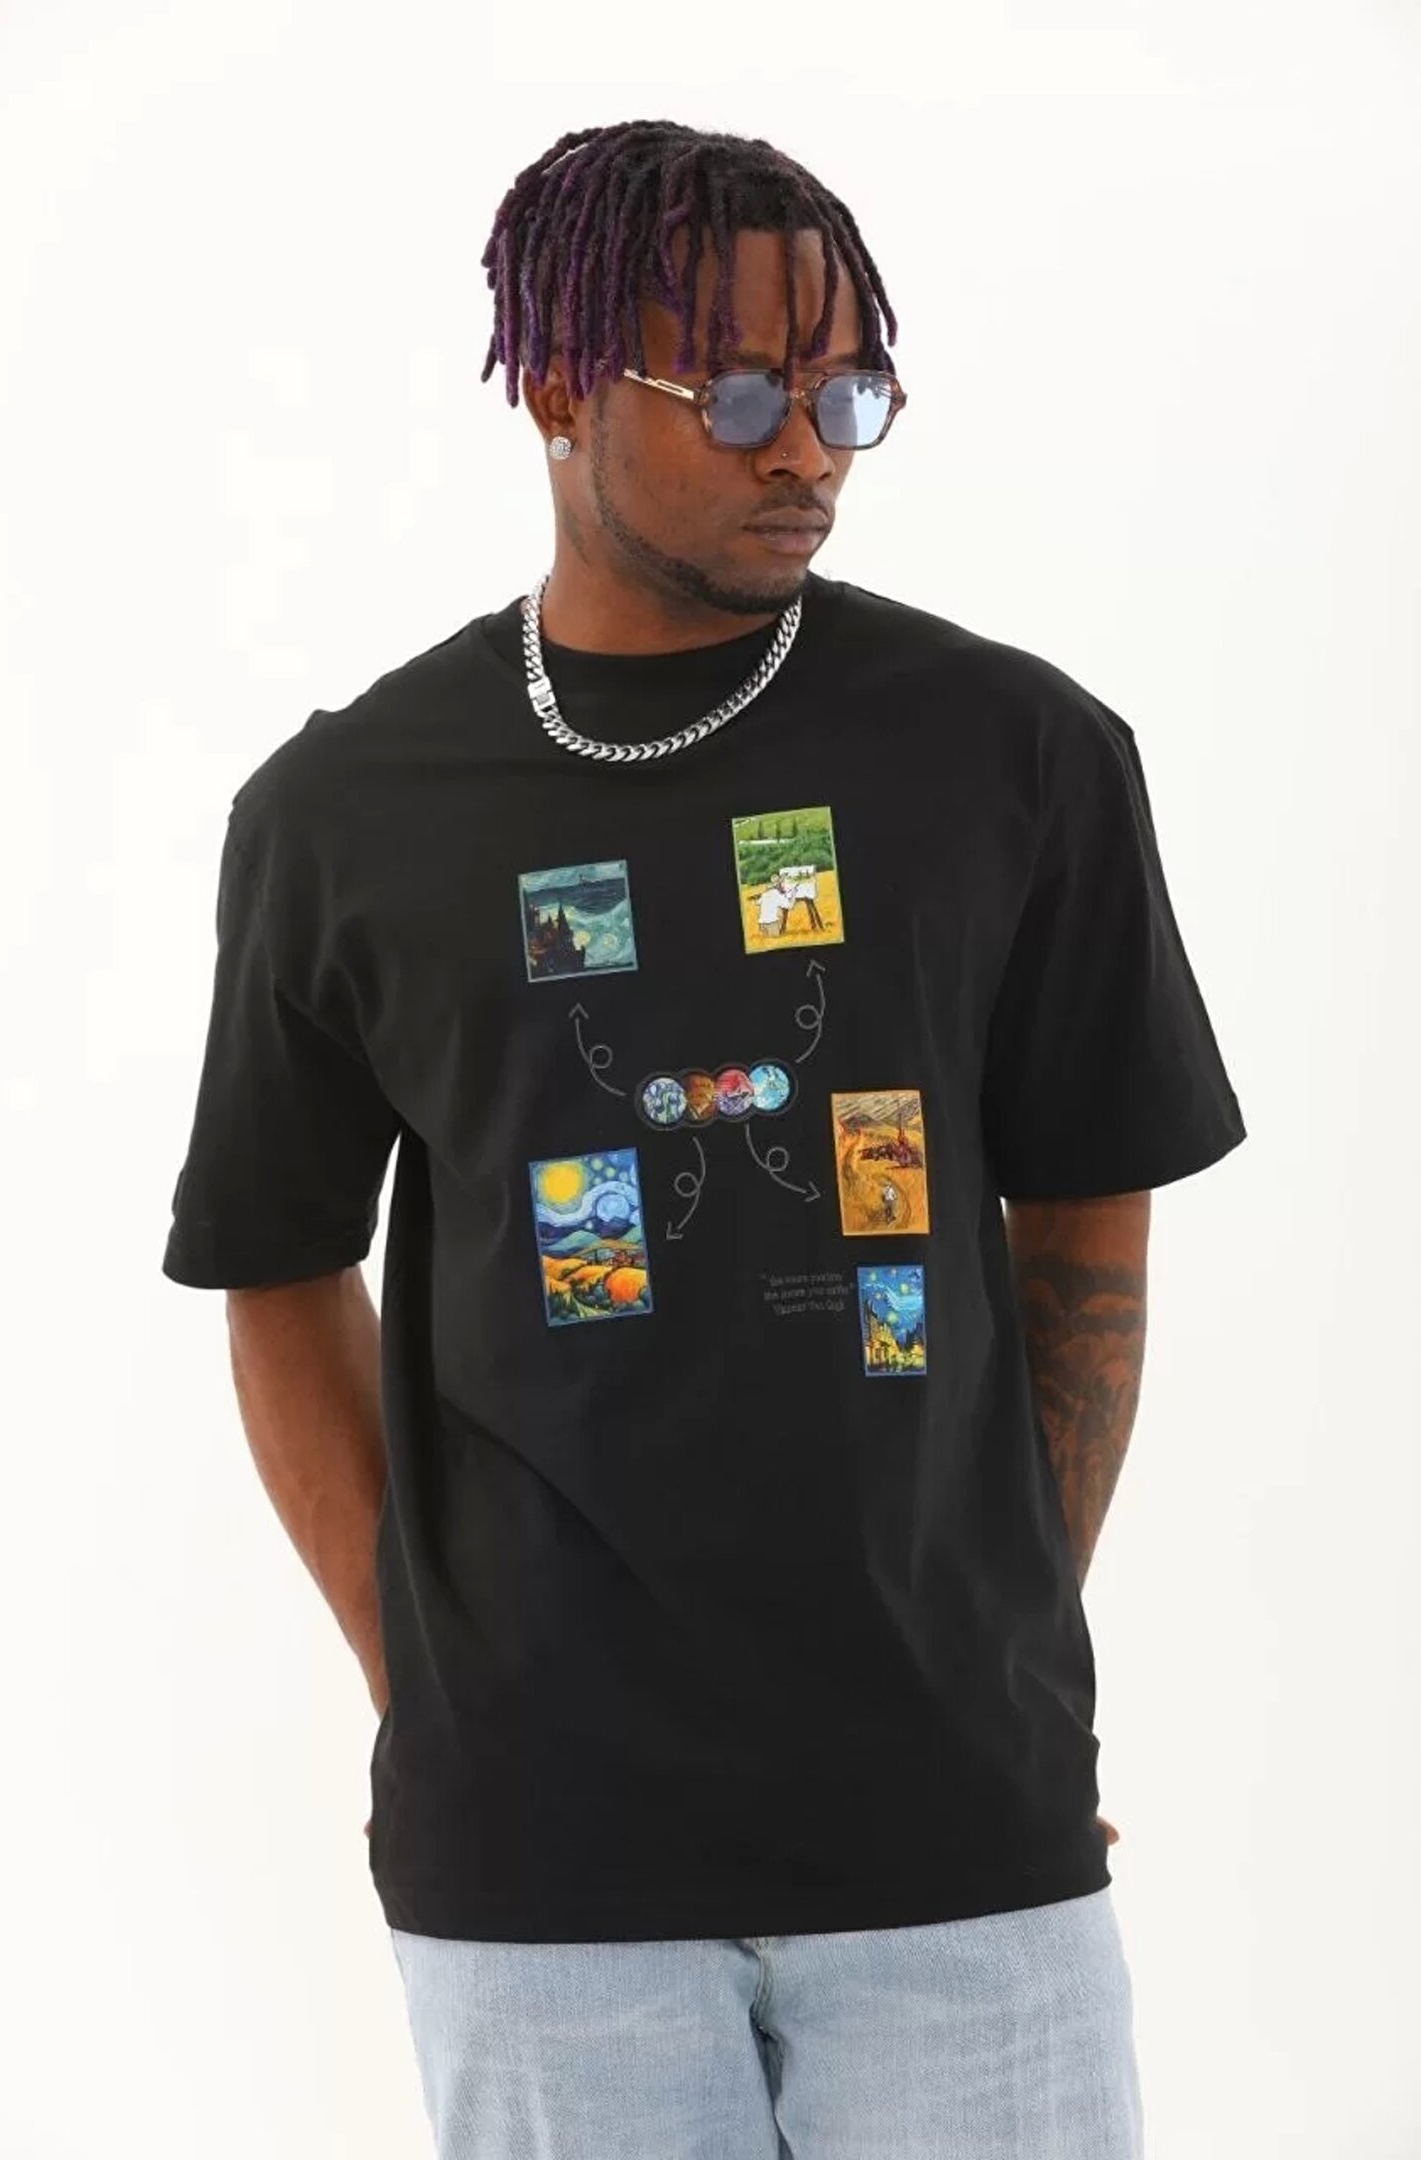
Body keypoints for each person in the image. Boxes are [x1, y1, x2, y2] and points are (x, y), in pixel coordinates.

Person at [161, 118, 1247, 2160]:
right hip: (542, 1886)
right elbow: (277, 1268)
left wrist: (996, 1655)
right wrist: (429, 1676)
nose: (806, 449)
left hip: (959, 1851)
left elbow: (1087, 1220)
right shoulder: (344, 816)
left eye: (849, 392)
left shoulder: (1017, 754)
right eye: (741, 392)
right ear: (560, 391)